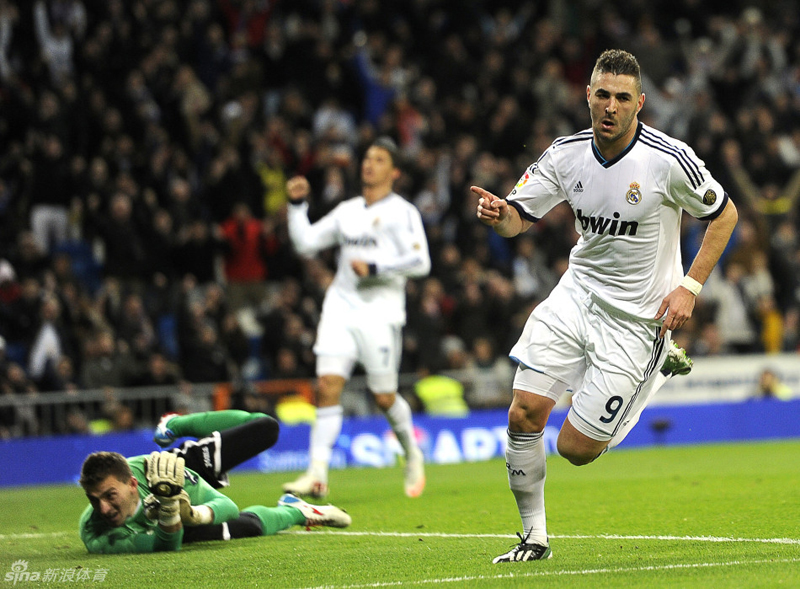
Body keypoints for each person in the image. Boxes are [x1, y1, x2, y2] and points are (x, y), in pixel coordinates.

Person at [473, 49, 738, 563]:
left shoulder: (669, 159)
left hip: (638, 321)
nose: (611, 106)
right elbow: (517, 219)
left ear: (639, 102)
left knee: (575, 448)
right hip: (576, 295)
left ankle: (656, 363)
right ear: (587, 96)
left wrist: (690, 287)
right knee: (524, 413)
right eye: (602, 95)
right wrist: (499, 215)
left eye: (622, 98)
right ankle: (534, 538)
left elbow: (724, 216)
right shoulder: (565, 154)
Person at [283, 137, 431, 498]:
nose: (369, 164)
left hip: (380, 315)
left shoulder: (403, 212)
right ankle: (317, 473)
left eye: (379, 160)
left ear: (393, 172)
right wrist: (296, 205)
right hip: (340, 307)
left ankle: (411, 453)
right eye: (367, 158)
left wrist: (376, 268)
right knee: (327, 387)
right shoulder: (347, 210)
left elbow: (421, 262)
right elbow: (305, 243)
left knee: (384, 397)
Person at [78, 410, 351, 554]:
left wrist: (194, 512)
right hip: (174, 523)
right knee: (248, 527)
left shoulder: (159, 473)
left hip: (179, 472)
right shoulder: (96, 533)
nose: (102, 509)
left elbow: (225, 505)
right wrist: (177, 514)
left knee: (265, 428)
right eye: (94, 499)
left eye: (110, 496)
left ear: (133, 485)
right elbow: (166, 545)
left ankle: (176, 424)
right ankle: (297, 509)